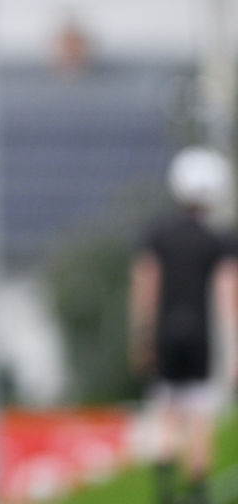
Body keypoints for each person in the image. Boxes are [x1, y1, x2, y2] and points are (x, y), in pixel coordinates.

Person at [128, 146, 238, 504]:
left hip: (165, 335)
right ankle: (198, 494)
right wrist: (233, 351)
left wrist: (142, 336)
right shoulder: (219, 240)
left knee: (167, 411)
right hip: (200, 338)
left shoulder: (158, 235)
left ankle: (164, 492)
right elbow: (226, 298)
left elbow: (145, 287)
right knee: (198, 415)